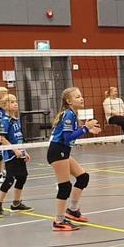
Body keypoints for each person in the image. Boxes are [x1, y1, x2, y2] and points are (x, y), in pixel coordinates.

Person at [47, 87, 101, 231]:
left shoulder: (72, 114)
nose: (81, 98)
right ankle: (59, 221)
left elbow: (71, 133)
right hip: (58, 151)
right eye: (77, 97)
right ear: (69, 101)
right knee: (65, 186)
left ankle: (72, 210)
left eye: (81, 96)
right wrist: (85, 129)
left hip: (62, 151)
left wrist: (86, 128)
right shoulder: (68, 115)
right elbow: (67, 138)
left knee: (83, 177)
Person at [0, 94, 33, 218]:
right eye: (12, 102)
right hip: (11, 155)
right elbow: (1, 138)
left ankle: (16, 204)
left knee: (22, 177)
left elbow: (18, 137)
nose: (16, 104)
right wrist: (14, 149)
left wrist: (24, 151)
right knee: (9, 179)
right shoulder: (5, 120)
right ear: (5, 105)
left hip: (19, 153)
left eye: (16, 101)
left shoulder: (16, 119)